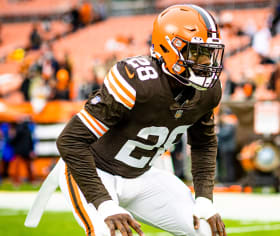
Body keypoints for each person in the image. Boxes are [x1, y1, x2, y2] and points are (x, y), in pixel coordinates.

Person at [28, 5, 227, 236]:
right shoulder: (136, 81)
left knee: (206, 229)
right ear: (168, 48)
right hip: (94, 171)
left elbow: (204, 144)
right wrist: (105, 204)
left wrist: (204, 198)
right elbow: (70, 141)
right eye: (196, 52)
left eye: (208, 53)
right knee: (110, 232)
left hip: (141, 176)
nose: (206, 62)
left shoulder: (208, 92)